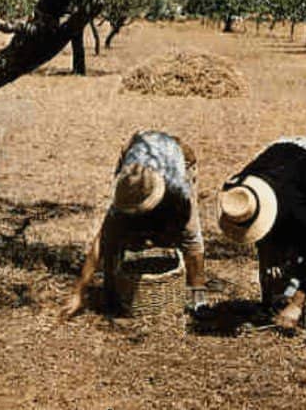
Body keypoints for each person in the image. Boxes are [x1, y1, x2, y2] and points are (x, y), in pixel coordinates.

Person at [61, 130, 206, 320]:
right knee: (116, 234)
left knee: (184, 231)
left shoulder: (177, 188)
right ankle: (113, 291)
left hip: (177, 155)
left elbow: (193, 242)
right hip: (137, 148)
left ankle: (198, 299)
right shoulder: (128, 186)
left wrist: (198, 295)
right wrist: (79, 292)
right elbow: (102, 242)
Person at [217, 136, 306, 330]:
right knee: (280, 266)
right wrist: (268, 295)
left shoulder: (292, 208)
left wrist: (296, 305)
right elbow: (260, 235)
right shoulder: (236, 195)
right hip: (282, 157)